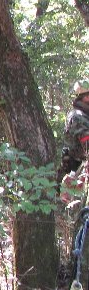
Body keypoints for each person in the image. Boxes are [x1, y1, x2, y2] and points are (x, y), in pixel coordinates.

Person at [58, 79, 89, 207]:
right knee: (75, 209)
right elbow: (87, 144)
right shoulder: (77, 116)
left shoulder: (84, 115)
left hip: (81, 170)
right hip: (76, 170)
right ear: (86, 97)